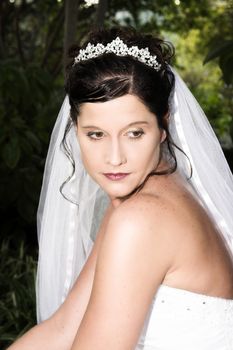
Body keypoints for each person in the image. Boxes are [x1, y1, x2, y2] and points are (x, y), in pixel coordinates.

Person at [8, 27, 233, 350]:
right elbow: (62, 329)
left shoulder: (142, 217)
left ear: (162, 127)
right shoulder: (143, 197)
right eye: (96, 134)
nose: (115, 159)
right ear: (76, 130)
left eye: (134, 133)